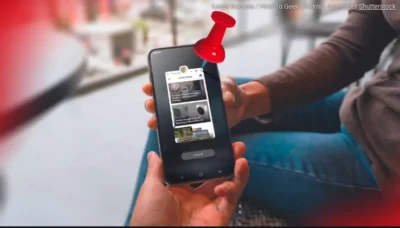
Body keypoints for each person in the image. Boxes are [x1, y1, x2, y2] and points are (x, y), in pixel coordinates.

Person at [127, 0, 400, 225]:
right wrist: (246, 100)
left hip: (387, 158)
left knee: (202, 157)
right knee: (176, 117)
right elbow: (353, 46)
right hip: (370, 104)